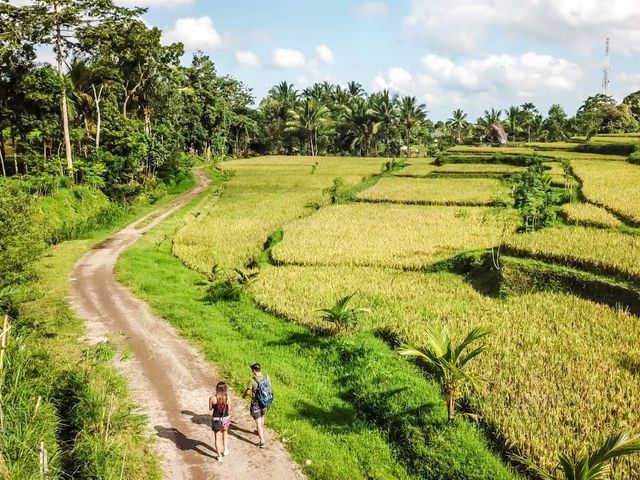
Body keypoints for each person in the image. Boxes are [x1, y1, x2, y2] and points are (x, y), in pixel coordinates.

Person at [242, 363, 273, 448]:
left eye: (252, 370)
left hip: (256, 404)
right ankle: (260, 431)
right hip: (265, 402)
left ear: (254, 371)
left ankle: (262, 442)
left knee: (258, 422)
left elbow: (248, 391)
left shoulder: (253, 380)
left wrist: (244, 396)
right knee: (262, 417)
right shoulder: (267, 377)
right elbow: (270, 387)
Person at [209, 381, 231, 462]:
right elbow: (229, 409)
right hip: (225, 418)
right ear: (225, 389)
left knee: (217, 438)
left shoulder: (212, 398)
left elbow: (210, 408)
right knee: (225, 433)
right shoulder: (227, 397)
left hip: (216, 420)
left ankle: (219, 456)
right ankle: (225, 450)